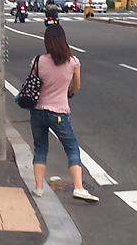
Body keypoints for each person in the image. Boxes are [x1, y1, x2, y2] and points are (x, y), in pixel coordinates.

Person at [29, 24, 98, 203]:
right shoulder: (73, 62)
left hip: (38, 111)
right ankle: (79, 187)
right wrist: (68, 91)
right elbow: (77, 86)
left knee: (40, 148)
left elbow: (34, 84)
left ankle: (38, 188)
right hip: (59, 112)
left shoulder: (38, 61)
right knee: (72, 147)